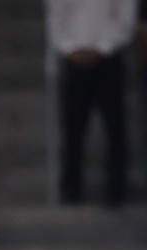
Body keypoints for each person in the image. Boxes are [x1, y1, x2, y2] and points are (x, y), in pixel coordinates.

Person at [46, 0, 137, 206]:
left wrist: (101, 48)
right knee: (73, 127)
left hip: (108, 58)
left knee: (115, 126)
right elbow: (55, 16)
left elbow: (125, 18)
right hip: (74, 58)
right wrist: (69, 47)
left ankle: (116, 190)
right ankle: (71, 189)